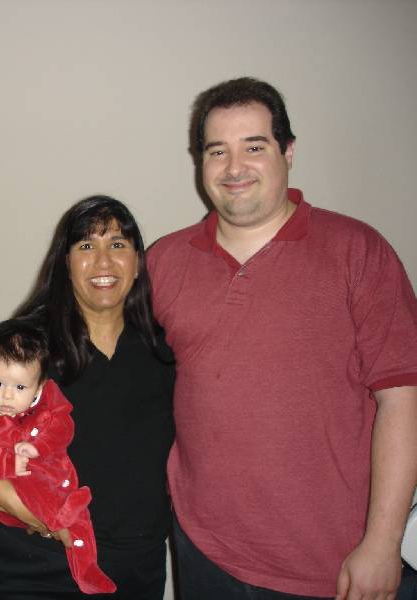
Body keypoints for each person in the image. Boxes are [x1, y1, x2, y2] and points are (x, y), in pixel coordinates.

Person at [147, 76, 417, 599]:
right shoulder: (165, 261)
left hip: (332, 563)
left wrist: (383, 544)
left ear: (288, 152)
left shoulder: (357, 251)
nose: (234, 168)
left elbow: (403, 398)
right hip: (205, 550)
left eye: (254, 146)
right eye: (217, 151)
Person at [0, 195, 175, 599]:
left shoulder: (165, 349)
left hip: (135, 571)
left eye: (118, 244)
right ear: (65, 262)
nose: (104, 261)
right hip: (32, 569)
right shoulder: (23, 346)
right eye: (87, 246)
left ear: (138, 262)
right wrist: (30, 510)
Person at [0, 319, 116, 594]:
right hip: (14, 488)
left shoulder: (49, 399)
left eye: (20, 388)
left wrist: (41, 446)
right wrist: (7, 463)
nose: (6, 396)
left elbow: (64, 426)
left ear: (39, 387)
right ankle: (63, 525)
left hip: (57, 474)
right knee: (68, 516)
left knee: (82, 521)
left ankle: (88, 570)